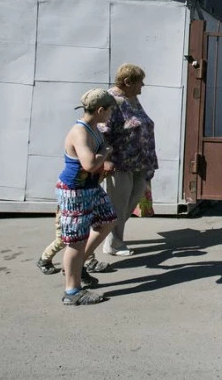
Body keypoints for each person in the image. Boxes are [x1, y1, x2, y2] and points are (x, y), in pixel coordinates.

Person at [57, 89, 118, 305]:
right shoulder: (79, 131)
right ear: (100, 110)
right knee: (76, 240)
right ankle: (72, 292)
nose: (111, 114)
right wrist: (105, 154)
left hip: (90, 187)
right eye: (110, 110)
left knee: (108, 220)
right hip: (75, 190)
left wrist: (103, 156)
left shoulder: (95, 129)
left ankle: (78, 265)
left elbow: (97, 157)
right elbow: (90, 163)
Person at [99, 63, 158, 257]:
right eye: (140, 82)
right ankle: (113, 243)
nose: (142, 86)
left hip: (139, 161)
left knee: (131, 201)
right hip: (120, 162)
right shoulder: (112, 100)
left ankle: (111, 237)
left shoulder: (131, 98)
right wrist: (106, 160)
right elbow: (103, 132)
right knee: (118, 203)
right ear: (127, 82)